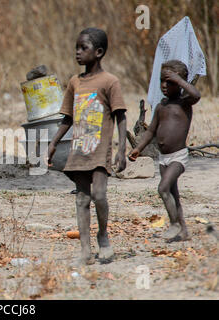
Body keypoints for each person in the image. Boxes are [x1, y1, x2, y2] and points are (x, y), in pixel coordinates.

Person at [47, 28, 127, 265]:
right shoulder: (74, 82)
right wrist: (52, 143)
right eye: (76, 48)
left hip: (100, 150)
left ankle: (103, 235)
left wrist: (122, 149)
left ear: (99, 52)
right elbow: (67, 118)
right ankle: (85, 249)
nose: (77, 52)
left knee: (99, 195)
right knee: (82, 199)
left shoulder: (110, 82)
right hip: (79, 149)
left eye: (83, 48)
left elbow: (120, 116)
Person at [129, 60, 201, 242]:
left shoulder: (185, 103)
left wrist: (179, 80)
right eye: (162, 81)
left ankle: (174, 224)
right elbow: (151, 131)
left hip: (178, 157)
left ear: (180, 82)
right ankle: (183, 230)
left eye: (170, 82)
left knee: (163, 188)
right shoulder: (161, 106)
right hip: (163, 158)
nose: (164, 86)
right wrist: (138, 148)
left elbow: (196, 94)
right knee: (173, 195)